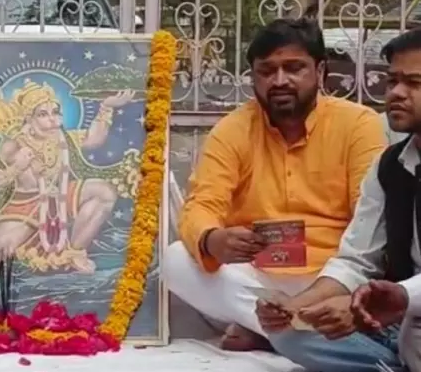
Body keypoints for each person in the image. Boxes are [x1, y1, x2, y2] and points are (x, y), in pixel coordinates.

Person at [160, 18, 386, 352]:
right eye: (267, 71)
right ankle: (292, 332)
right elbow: (202, 204)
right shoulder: (233, 129)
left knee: (370, 269)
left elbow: (370, 218)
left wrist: (335, 281)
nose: (280, 81)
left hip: (332, 277)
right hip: (257, 278)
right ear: (253, 76)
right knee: (176, 260)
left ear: (320, 70)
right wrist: (212, 239)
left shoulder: (358, 125)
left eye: (294, 68)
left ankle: (271, 330)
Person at [255, 28, 421, 372]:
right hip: (402, 320)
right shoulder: (389, 166)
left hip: (405, 307)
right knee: (290, 332)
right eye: (392, 80)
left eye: (414, 83)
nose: (396, 92)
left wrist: (397, 299)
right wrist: (298, 306)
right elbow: (356, 261)